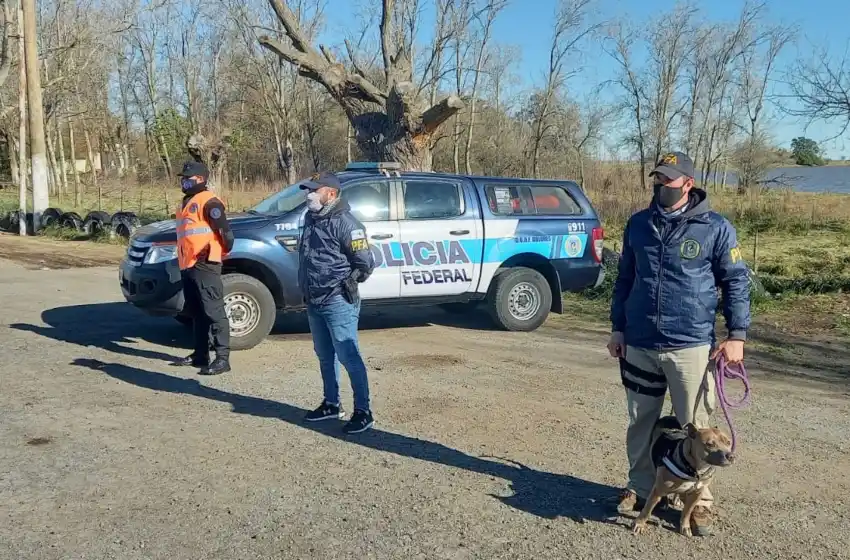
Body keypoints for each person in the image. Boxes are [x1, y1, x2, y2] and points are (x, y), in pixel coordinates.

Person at [607, 151, 750, 537]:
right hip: (639, 340)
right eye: (656, 179)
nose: (659, 187)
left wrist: (736, 335)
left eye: (667, 181)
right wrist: (618, 327)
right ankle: (639, 488)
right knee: (642, 421)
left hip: (690, 344)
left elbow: (735, 281)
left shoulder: (716, 228)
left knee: (697, 426)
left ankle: (699, 501)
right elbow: (624, 280)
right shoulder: (638, 224)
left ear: (688, 184)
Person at [297, 171, 376, 434]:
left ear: (330, 193)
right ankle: (331, 404)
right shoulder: (311, 217)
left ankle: (363, 412)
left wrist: (347, 283)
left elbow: (365, 262)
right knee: (324, 355)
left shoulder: (347, 224)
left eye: (313, 190)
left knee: (348, 355)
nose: (308, 195)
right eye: (308, 190)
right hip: (314, 299)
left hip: (337, 300)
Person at [171, 160, 234, 376]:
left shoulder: (209, 202)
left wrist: (213, 253)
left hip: (205, 264)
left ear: (200, 179)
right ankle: (200, 354)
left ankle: (222, 358)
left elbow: (226, 234)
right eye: (183, 178)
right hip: (188, 265)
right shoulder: (187, 202)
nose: (184, 181)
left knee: (214, 311)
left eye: (188, 178)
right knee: (196, 312)